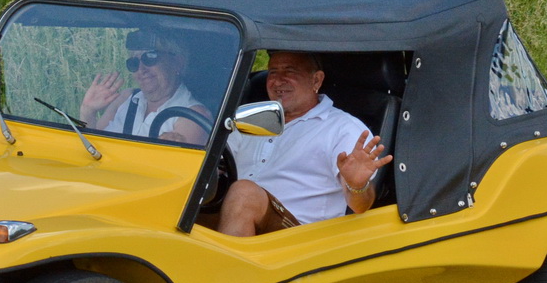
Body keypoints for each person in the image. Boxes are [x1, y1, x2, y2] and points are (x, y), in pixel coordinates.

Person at [216, 50, 393, 236]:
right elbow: (218, 165)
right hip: (233, 216)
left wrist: (357, 186)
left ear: (316, 80)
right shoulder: (253, 117)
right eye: (273, 72)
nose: (277, 81)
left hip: (299, 237)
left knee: (243, 193)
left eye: (289, 72)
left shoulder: (343, 128)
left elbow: (360, 205)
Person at [78, 30, 211, 146]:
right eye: (134, 62)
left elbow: (172, 171)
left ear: (177, 62)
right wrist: (88, 112)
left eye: (150, 57)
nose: (141, 69)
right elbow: (92, 148)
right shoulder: (126, 98)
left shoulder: (192, 115)